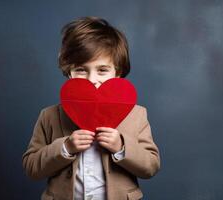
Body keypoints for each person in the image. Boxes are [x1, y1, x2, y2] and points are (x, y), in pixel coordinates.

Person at [22, 16, 160, 200]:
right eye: (81, 69)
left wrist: (121, 146)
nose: (91, 79)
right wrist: (65, 148)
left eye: (102, 70)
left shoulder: (136, 114)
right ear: (68, 71)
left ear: (117, 73)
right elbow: (31, 167)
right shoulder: (50, 116)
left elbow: (151, 166)